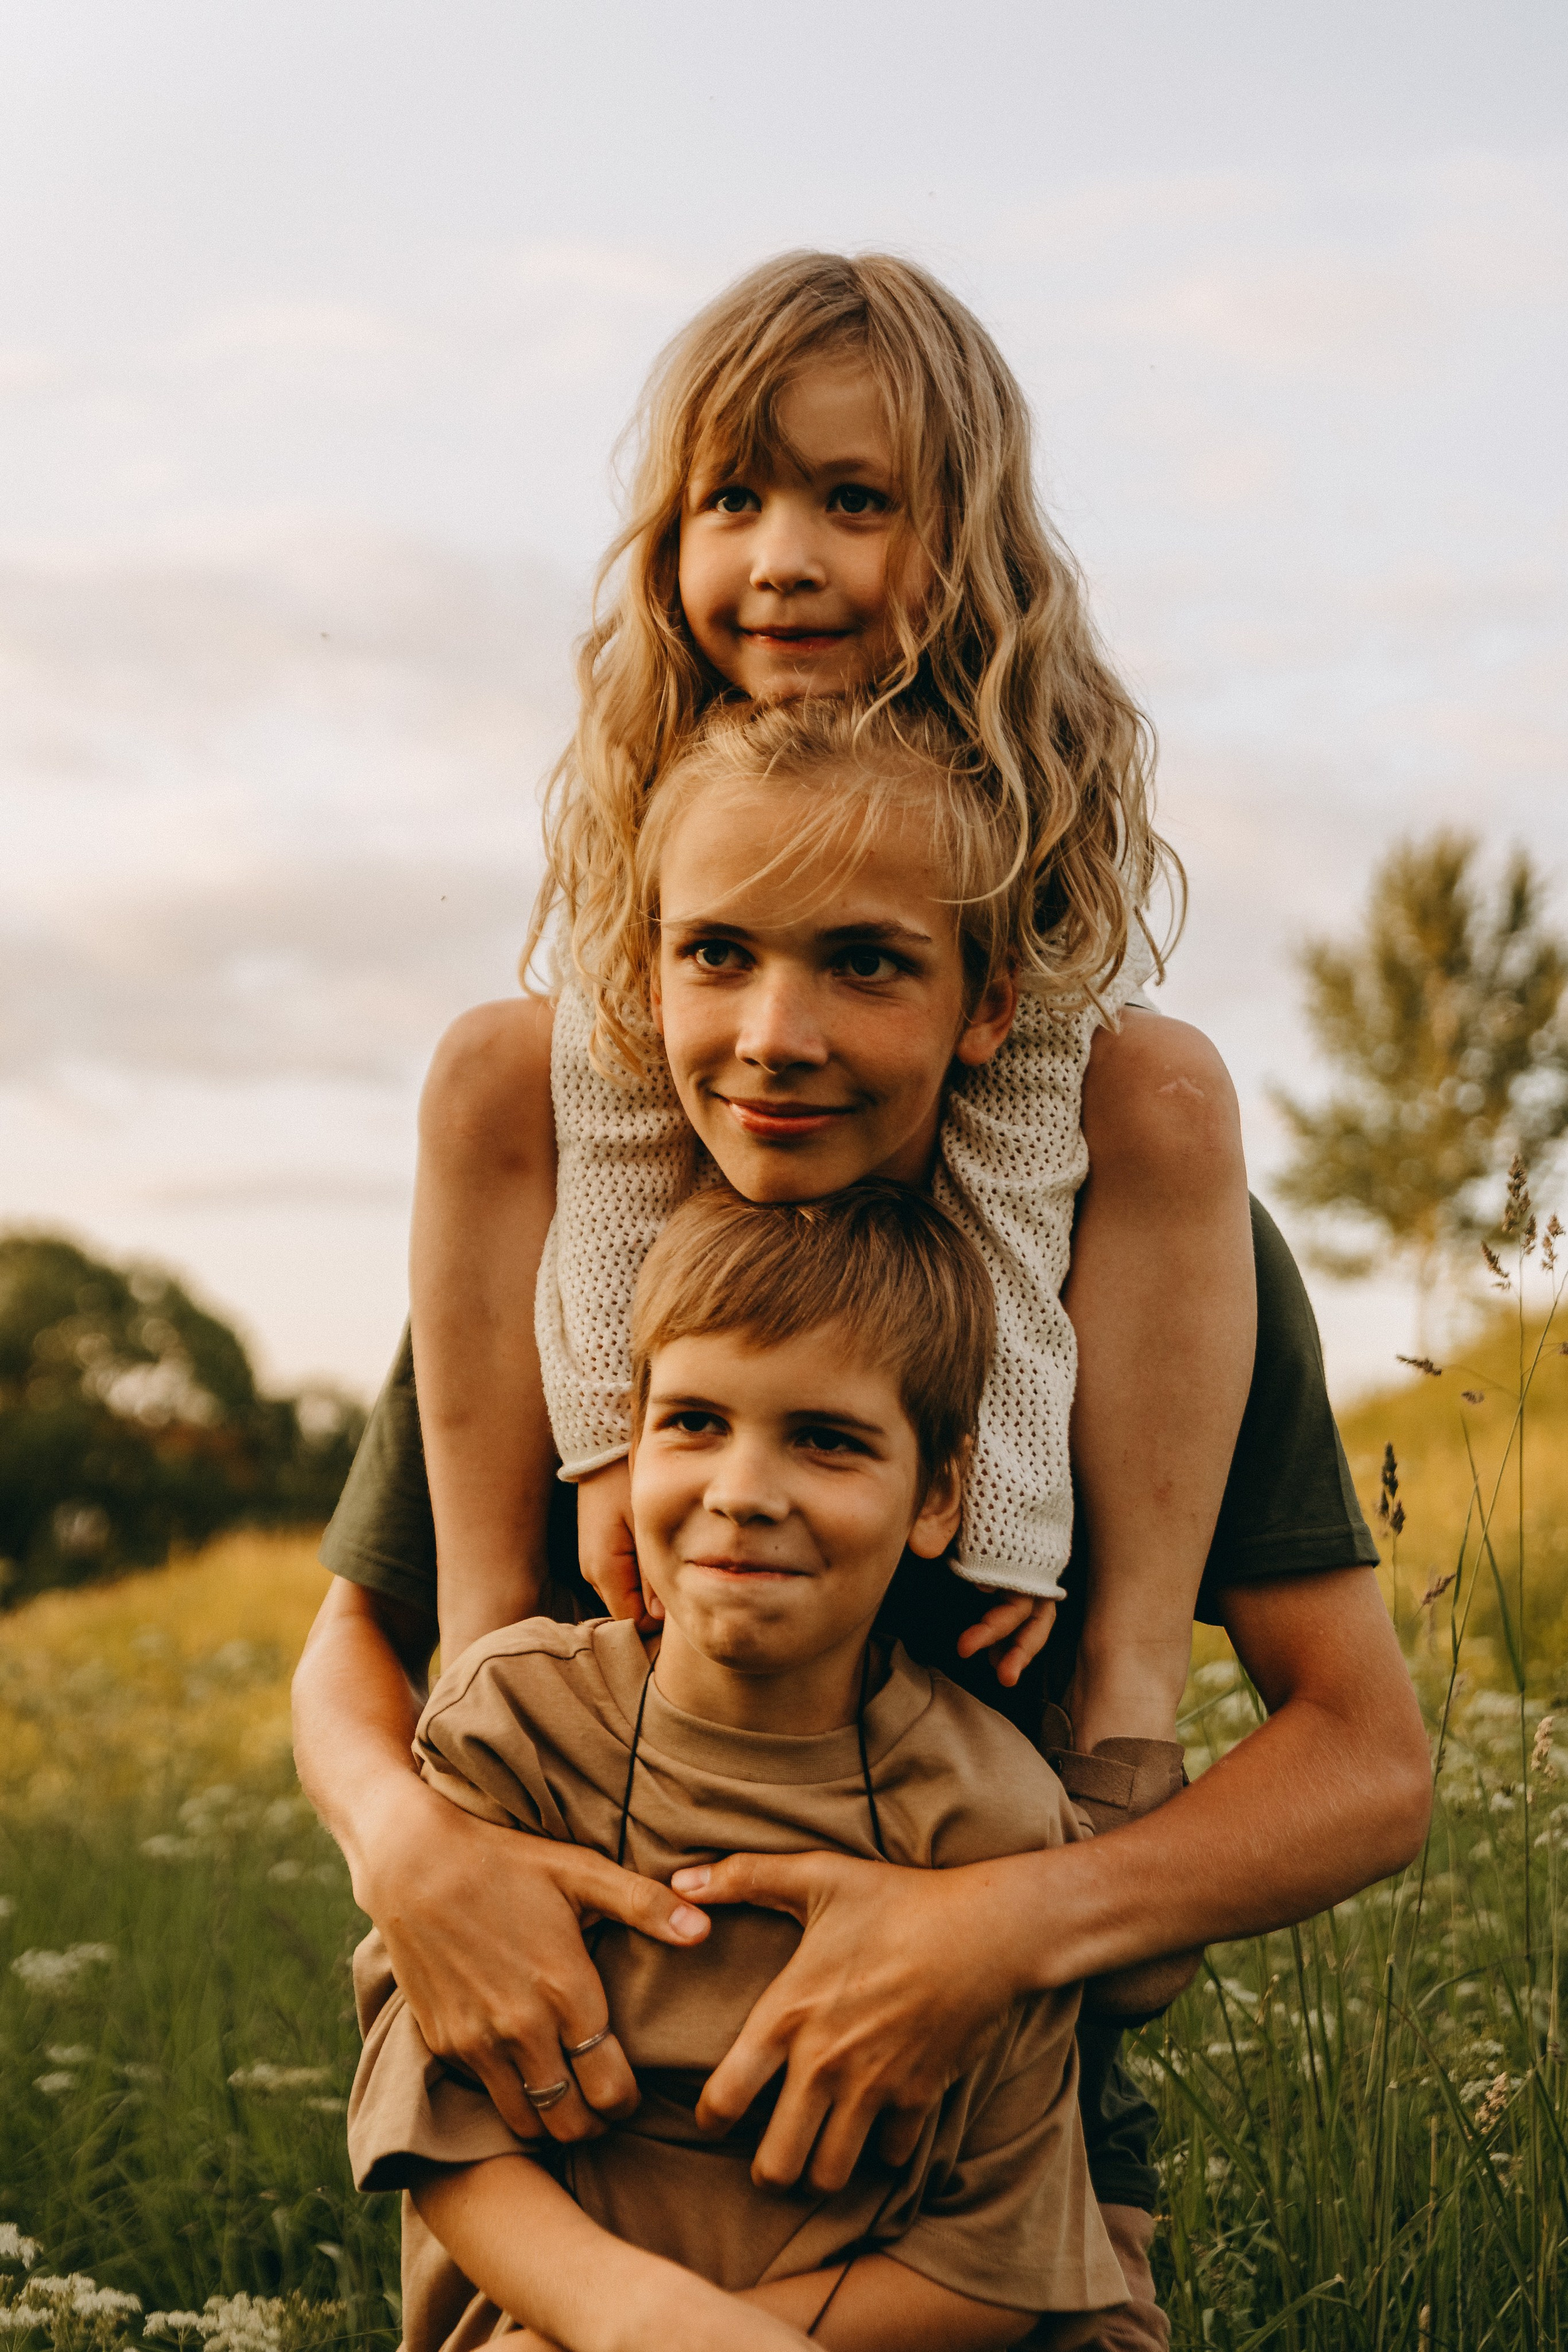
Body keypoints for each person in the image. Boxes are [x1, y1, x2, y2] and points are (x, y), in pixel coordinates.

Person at [296, 700, 1431, 2352]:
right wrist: (412, 1848)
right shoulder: (582, 1262)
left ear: (989, 1008)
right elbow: (351, 1654)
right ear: (648, 971)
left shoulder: (1136, 1247)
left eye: (869, 964)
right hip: (579, 2195)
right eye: (721, 957)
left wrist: (998, 1928)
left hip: (976, 2210)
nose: (776, 1035)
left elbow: (1370, 1761)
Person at [409, 248, 1259, 1815]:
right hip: (698, 1310)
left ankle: (1125, 1703)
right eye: (730, 504)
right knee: (485, 1061)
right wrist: (604, 1437)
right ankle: (480, 1673)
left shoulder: (1012, 805)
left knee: (1170, 1088)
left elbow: (1006, 1184)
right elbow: (606, 1151)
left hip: (934, 1359)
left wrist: (1005, 1501)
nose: (781, 562)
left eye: (853, 504)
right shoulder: (655, 773)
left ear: (965, 538)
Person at [349, 1182, 1128, 2352]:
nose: (743, 1492)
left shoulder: (993, 1812)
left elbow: (1000, 2267)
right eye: (695, 1423)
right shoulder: (512, 1726)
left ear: (938, 1495)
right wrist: (633, 2328)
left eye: (826, 1441)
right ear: (632, 1431)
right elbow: (439, 2136)